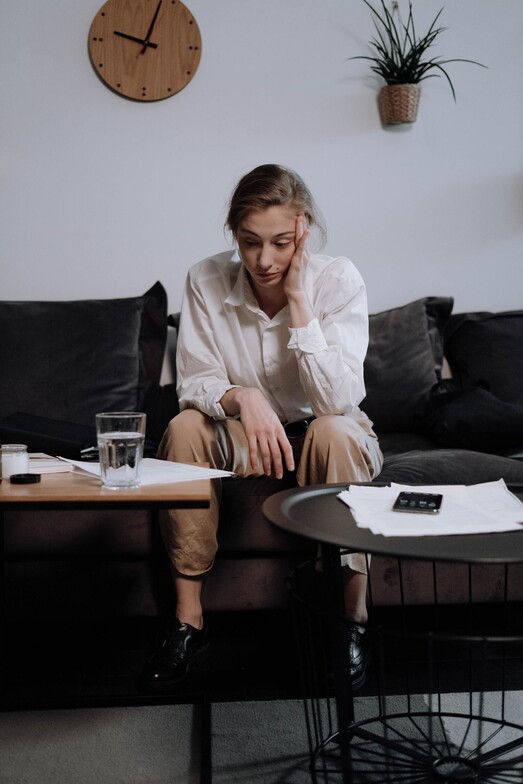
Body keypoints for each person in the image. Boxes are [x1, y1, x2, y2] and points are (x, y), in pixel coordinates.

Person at [142, 164, 383, 690]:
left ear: (304, 229)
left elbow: (336, 400)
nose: (265, 260)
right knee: (184, 427)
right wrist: (242, 396)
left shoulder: (338, 279)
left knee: (335, 431)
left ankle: (351, 621)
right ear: (234, 235)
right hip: (244, 437)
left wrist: (299, 300)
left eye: (279, 243)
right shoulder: (205, 278)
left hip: (323, 433)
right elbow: (196, 382)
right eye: (250, 243)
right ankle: (188, 623)